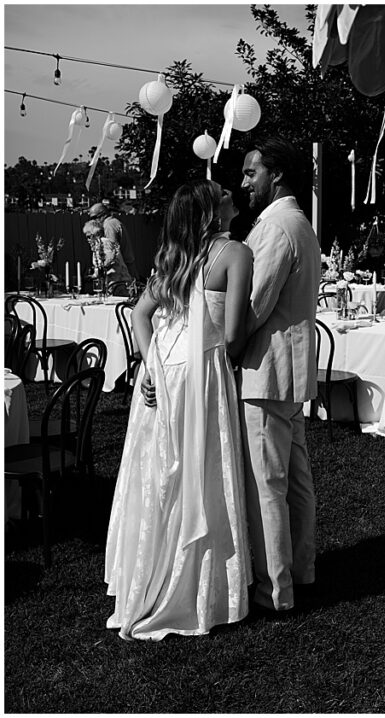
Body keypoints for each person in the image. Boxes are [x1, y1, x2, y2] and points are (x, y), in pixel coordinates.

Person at [104, 179, 254, 640]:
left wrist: (150, 367)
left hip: (163, 372)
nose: (232, 196)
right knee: (200, 470)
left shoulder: (174, 258)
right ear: (212, 212)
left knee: (159, 476)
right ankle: (194, 587)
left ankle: (150, 573)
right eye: (224, 195)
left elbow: (141, 316)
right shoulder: (236, 253)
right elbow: (231, 336)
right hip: (200, 375)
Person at [238, 137, 319, 614]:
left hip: (266, 371)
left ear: (277, 176)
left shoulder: (275, 227)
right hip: (289, 372)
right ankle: (301, 571)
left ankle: (275, 588)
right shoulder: (299, 223)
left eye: (251, 173)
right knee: (296, 480)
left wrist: (224, 349)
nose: (244, 182)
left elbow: (252, 306)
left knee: (268, 483)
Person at [89, 202, 137, 279]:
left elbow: (112, 253)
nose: (93, 221)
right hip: (126, 265)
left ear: (103, 215)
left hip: (122, 270)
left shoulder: (109, 225)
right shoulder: (114, 222)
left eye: (95, 218)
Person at [83, 219, 132, 293]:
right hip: (111, 283)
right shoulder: (97, 246)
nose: (88, 240)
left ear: (97, 234)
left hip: (119, 283)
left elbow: (110, 260)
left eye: (89, 236)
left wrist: (100, 270)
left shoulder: (104, 243)